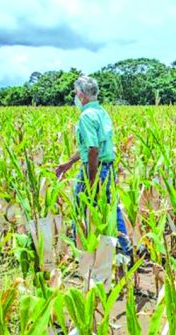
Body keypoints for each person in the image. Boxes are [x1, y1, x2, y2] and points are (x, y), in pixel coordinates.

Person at [56, 75, 134, 266]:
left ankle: (80, 252)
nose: (75, 96)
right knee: (111, 208)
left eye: (76, 93)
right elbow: (89, 147)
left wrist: (91, 180)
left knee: (80, 208)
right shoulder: (101, 112)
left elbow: (93, 149)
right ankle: (125, 250)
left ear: (81, 95)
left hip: (95, 169)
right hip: (107, 167)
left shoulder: (85, 116)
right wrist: (69, 163)